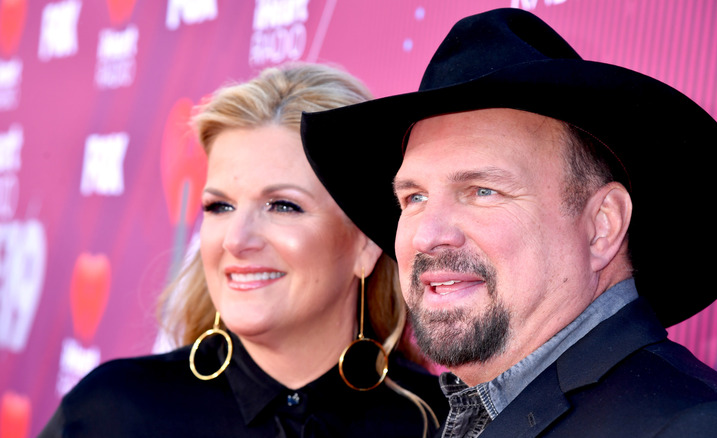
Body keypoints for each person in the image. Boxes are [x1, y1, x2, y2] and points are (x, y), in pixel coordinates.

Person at [299, 8, 717, 438]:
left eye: (483, 191)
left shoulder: (700, 429)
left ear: (602, 226)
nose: (427, 234)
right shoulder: (447, 415)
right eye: (414, 197)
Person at [40, 64, 446, 437]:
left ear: (366, 244)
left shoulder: (444, 422)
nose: (236, 239)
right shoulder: (112, 412)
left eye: (283, 205)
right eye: (220, 206)